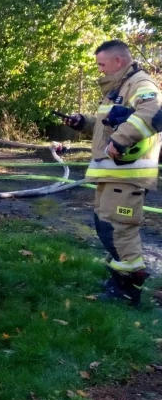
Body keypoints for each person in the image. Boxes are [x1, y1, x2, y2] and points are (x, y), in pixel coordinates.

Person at [64, 40, 160, 305]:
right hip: (112, 175)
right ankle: (118, 279)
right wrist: (83, 123)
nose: (100, 69)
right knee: (107, 228)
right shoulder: (117, 89)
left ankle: (129, 289)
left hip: (127, 176)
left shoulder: (141, 84)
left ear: (118, 61)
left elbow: (153, 111)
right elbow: (106, 127)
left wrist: (120, 141)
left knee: (120, 231)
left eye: (102, 64)